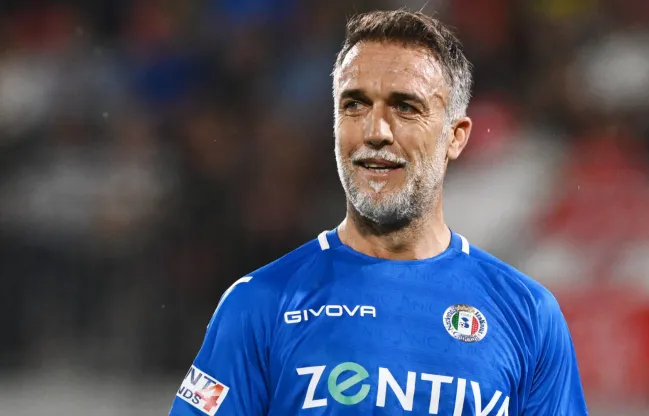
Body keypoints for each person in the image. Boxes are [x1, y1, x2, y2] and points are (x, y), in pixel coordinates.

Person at [169, 9, 588, 416]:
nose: (375, 132)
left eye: (405, 107)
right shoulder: (259, 304)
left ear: (456, 137)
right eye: (354, 105)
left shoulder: (528, 315)